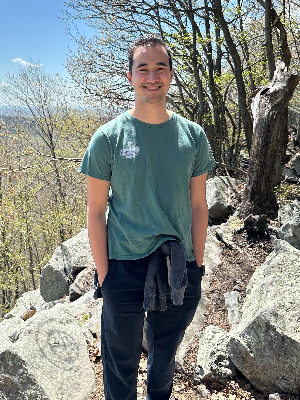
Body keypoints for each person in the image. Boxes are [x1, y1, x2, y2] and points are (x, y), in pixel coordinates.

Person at [78, 34, 216, 400]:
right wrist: (105, 274)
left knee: (165, 359)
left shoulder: (193, 136)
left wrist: (197, 264)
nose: (152, 76)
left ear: (171, 75)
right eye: (143, 68)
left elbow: (199, 206)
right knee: (119, 364)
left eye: (160, 68)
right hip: (123, 265)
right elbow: (95, 211)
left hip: (178, 265)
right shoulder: (108, 138)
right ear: (130, 76)